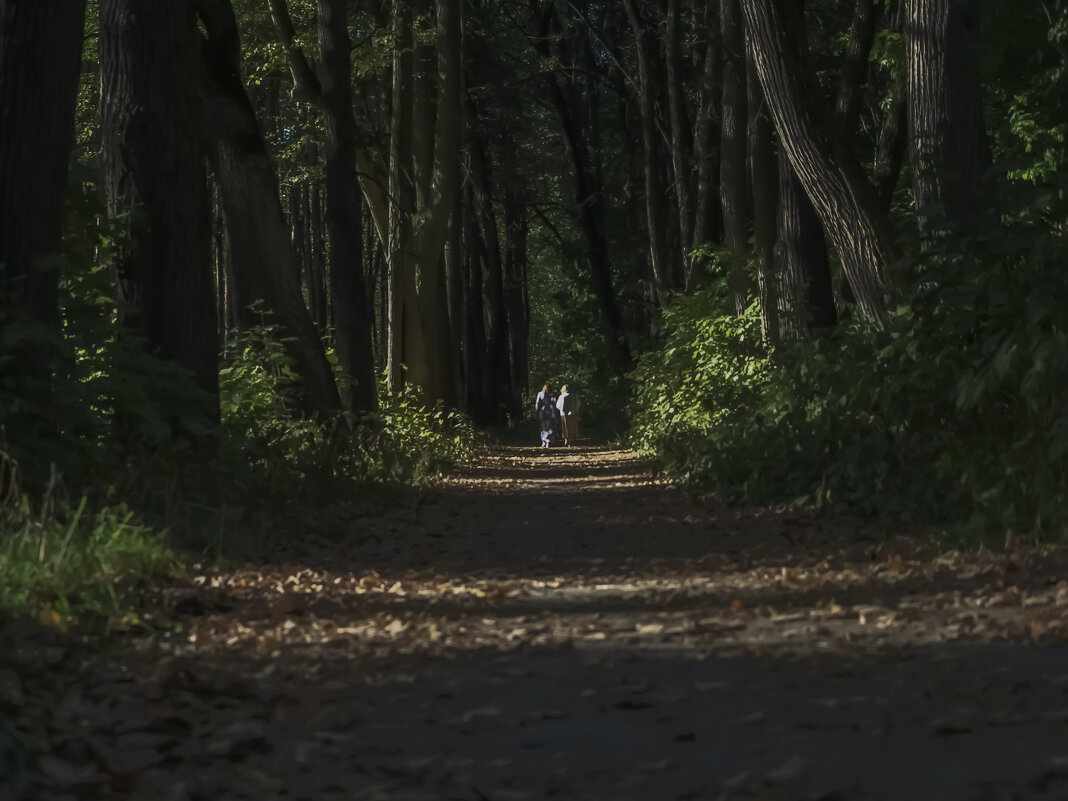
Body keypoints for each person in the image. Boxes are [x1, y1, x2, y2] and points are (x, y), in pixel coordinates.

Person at [535, 383, 556, 448]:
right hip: (551, 412)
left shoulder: (540, 394)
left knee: (543, 426)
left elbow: (537, 403)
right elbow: (555, 403)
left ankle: (544, 441)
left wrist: (536, 411)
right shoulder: (553, 394)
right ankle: (548, 440)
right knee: (550, 426)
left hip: (542, 412)